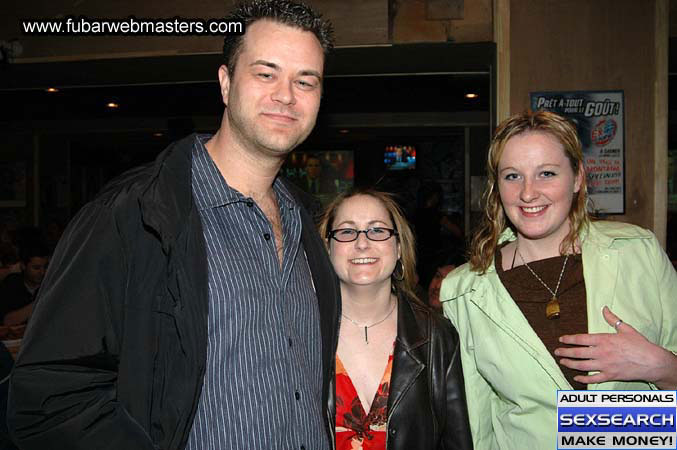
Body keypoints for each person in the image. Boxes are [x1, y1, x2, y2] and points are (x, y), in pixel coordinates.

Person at [8, 2, 340, 450]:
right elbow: (51, 400)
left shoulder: (309, 226)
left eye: (306, 80)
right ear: (225, 83)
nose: (286, 94)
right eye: (266, 73)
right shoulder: (132, 215)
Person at [441, 110, 677, 449]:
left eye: (546, 173)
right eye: (512, 176)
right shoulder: (464, 291)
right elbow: (478, 426)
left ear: (578, 177)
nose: (527, 193)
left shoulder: (637, 253)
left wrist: (659, 366)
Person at [318, 188, 473, 450]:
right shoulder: (299, 331)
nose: (362, 242)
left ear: (399, 247)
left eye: (377, 230)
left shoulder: (437, 336)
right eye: (346, 231)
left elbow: (456, 441)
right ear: (328, 247)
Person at [0, 243, 48, 326]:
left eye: (46, 267)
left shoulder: (49, 284)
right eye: (36, 268)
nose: (43, 272)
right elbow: (7, 320)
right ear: (23, 266)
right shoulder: (12, 283)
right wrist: (40, 303)